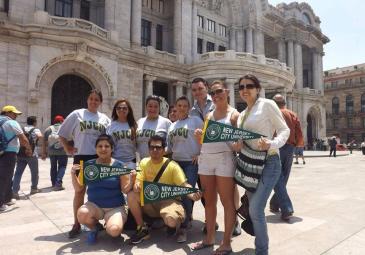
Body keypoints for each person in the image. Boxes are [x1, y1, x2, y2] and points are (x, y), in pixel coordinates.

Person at [233, 74, 289, 255]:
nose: (244, 90)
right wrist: (237, 145)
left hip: (269, 162)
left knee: (256, 208)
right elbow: (243, 142)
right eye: (241, 87)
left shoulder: (267, 104)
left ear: (258, 89)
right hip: (250, 165)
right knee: (253, 209)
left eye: (249, 86)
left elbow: (284, 130)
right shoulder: (241, 115)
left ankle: (262, 251)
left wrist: (272, 143)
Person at [193, 80, 240, 254]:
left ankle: (226, 242)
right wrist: (199, 136)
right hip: (206, 159)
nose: (216, 95)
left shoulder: (234, 115)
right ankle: (210, 238)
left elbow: (239, 142)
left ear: (227, 91)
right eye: (212, 93)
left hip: (224, 159)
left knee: (227, 201)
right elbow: (204, 140)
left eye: (219, 91)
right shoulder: (209, 115)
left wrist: (237, 145)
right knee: (209, 201)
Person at [127, 135, 201, 244]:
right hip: (150, 201)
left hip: (169, 202)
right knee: (132, 195)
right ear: (148, 149)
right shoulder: (143, 162)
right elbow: (138, 182)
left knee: (171, 220)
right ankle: (142, 228)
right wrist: (136, 185)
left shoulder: (172, 165)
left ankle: (169, 223)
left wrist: (192, 194)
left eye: (158, 147)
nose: (155, 150)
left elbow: (184, 185)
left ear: (164, 150)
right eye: (152, 147)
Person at [58, 89, 111, 238]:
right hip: (81, 158)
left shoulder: (104, 119)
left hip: (98, 158)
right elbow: (62, 133)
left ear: (100, 102)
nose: (93, 102)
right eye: (91, 99)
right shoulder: (77, 114)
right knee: (79, 191)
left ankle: (94, 221)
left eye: (96, 99)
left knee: (97, 190)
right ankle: (76, 223)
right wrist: (67, 147)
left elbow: (108, 140)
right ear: (87, 100)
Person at [72, 134, 134, 244]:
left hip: (115, 207)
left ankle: (110, 222)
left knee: (114, 231)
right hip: (94, 206)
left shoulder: (119, 165)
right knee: (81, 214)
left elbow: (125, 190)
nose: (103, 149)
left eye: (107, 146)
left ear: (112, 149)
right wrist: (73, 174)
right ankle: (94, 227)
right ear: (96, 149)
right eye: (100, 146)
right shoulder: (89, 165)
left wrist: (132, 180)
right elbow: (78, 189)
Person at [167, 96, 203, 242]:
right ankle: (184, 218)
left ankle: (183, 227)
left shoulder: (195, 120)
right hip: (176, 163)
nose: (181, 108)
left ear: (188, 108)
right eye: (179, 105)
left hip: (190, 163)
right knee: (180, 193)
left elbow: (205, 137)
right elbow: (169, 147)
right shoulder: (172, 125)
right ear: (175, 107)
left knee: (186, 192)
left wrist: (201, 154)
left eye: (184, 106)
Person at [269, 94, 304, 221]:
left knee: (277, 177)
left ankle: (285, 208)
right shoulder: (292, 114)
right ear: (284, 103)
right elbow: (299, 132)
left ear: (274, 104)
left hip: (275, 147)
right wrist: (299, 145)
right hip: (289, 147)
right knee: (284, 176)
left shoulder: (273, 114)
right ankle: (275, 204)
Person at [0, 106, 32, 212]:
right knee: (5, 178)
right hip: (8, 153)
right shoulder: (11, 123)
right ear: (8, 113)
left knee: (7, 176)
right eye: (14, 114)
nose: (16, 116)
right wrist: (28, 149)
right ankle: (1, 204)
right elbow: (22, 138)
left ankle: (7, 198)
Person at [12, 116, 43, 198]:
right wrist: (35, 139)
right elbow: (40, 136)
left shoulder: (22, 129)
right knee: (34, 172)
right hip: (31, 154)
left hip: (21, 153)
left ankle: (14, 191)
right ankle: (34, 188)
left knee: (18, 173)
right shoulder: (35, 129)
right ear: (34, 122)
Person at [136, 95, 171, 160]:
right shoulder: (139, 122)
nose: (153, 109)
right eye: (150, 106)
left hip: (159, 162)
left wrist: (158, 154)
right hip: (142, 163)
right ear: (146, 107)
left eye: (156, 106)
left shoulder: (166, 122)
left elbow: (172, 144)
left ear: (159, 108)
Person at [107, 99, 137, 169]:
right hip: (115, 160)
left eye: (124, 108)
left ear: (128, 110)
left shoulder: (134, 125)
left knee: (130, 180)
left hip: (131, 162)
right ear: (115, 110)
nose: (121, 110)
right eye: (119, 108)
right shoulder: (110, 126)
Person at [41, 115, 68, 190]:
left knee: (53, 167)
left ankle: (53, 183)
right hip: (63, 151)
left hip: (52, 152)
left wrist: (44, 152)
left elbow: (44, 142)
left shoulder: (48, 129)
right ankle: (58, 183)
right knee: (62, 166)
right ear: (61, 121)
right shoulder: (64, 128)